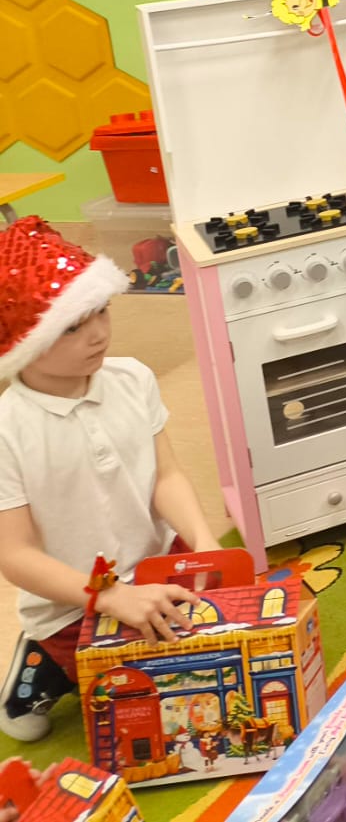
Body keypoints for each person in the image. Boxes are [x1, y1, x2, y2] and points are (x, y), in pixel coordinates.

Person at [0, 218, 220, 741]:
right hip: (72, 600)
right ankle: (41, 665)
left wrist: (205, 540)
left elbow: (165, 475)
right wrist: (110, 596)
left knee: (211, 670)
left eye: (100, 310)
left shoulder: (133, 378)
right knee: (144, 705)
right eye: (71, 327)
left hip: (156, 563)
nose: (98, 333)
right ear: (23, 338)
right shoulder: (8, 429)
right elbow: (15, 554)